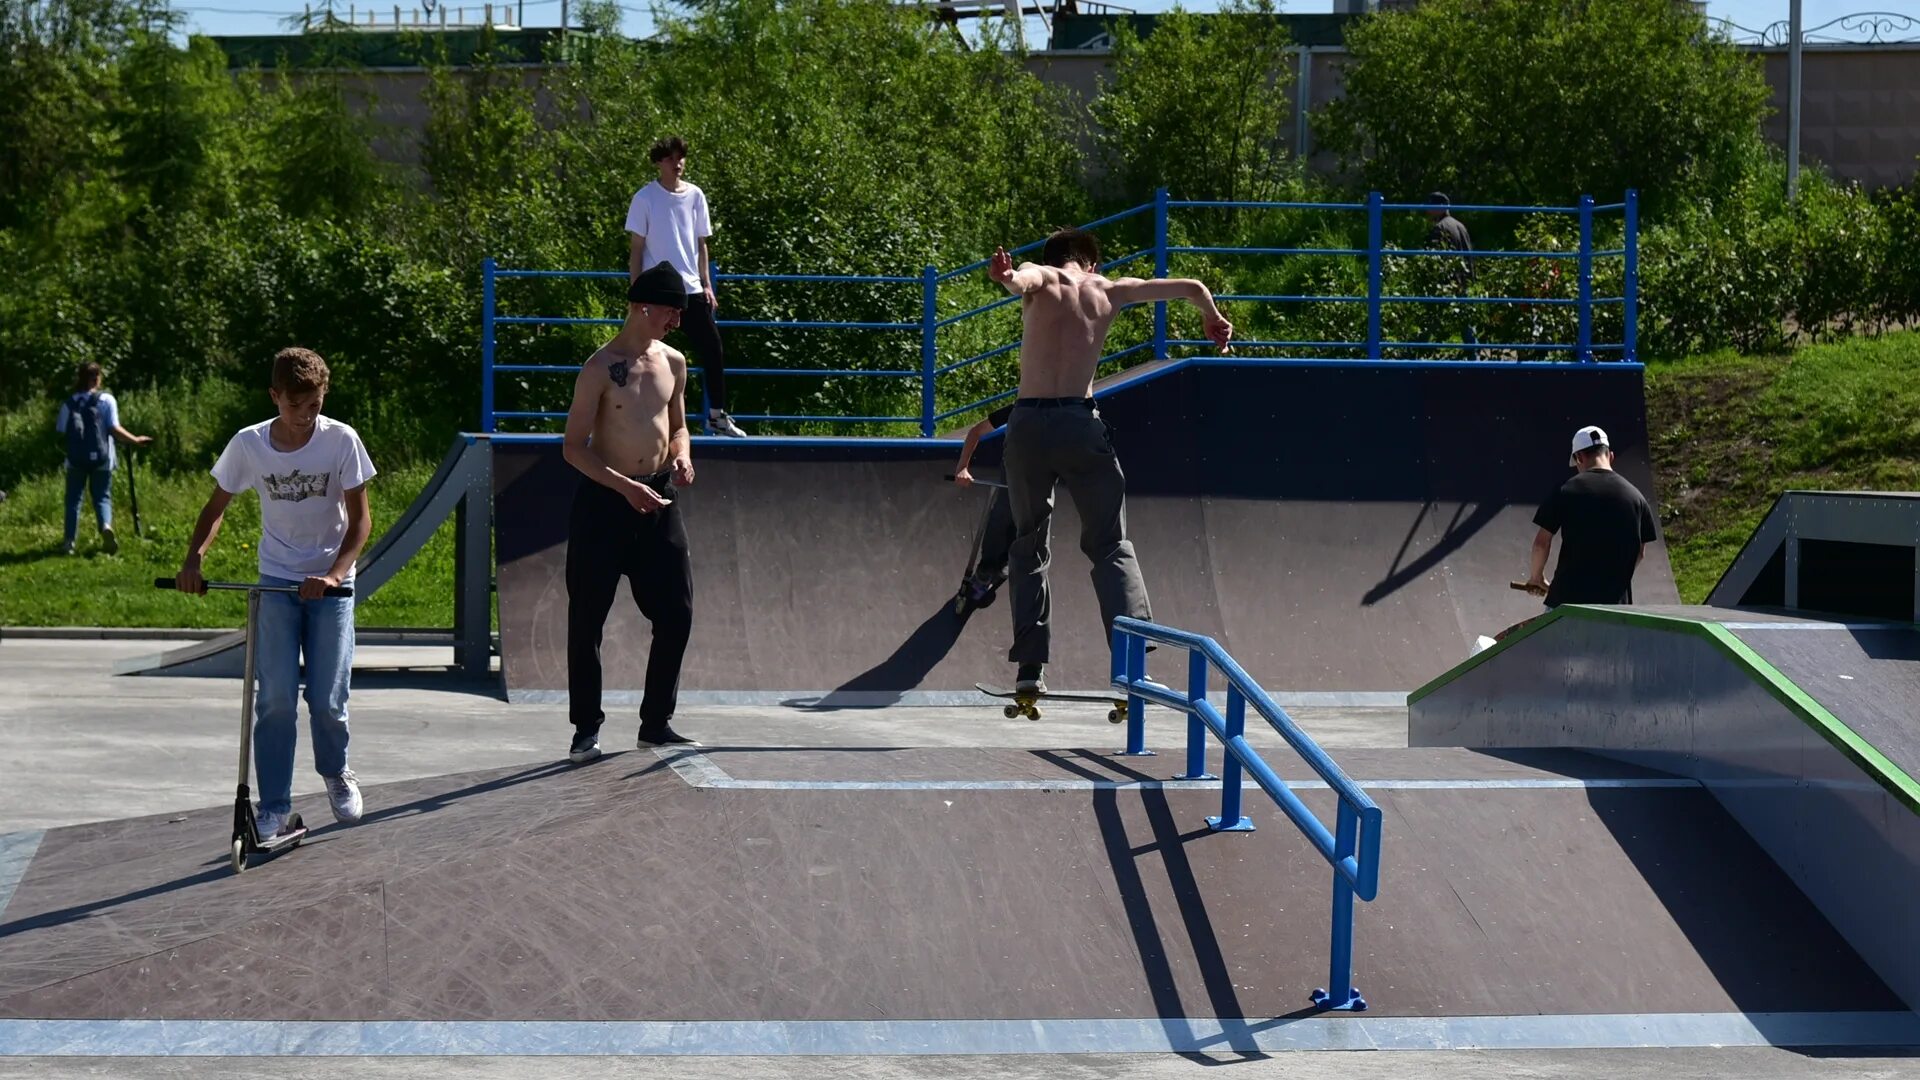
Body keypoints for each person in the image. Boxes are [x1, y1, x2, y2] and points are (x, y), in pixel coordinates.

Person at [987, 228, 1232, 692]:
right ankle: (1132, 661)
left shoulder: (1043, 276)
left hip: (1028, 426)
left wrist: (1008, 277)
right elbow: (1192, 288)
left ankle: (1030, 669)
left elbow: (1024, 280)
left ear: (1057, 258)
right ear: (1092, 263)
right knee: (1109, 545)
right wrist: (1212, 319)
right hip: (1081, 425)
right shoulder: (1111, 290)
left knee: (1028, 543)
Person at [174, 347, 375, 839]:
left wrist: (333, 574)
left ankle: (335, 770)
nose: (306, 417)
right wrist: (194, 558)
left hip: (330, 586)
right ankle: (274, 806)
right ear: (275, 396)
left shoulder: (341, 440)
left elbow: (361, 520)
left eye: (315, 405)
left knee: (327, 699)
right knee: (277, 699)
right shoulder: (249, 444)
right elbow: (216, 506)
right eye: (295, 406)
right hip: (277, 581)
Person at [562, 261, 701, 763]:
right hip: (605, 502)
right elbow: (573, 448)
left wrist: (682, 455)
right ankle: (586, 729)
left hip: (659, 499)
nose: (676, 321)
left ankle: (656, 722)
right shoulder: (601, 367)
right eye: (671, 311)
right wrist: (623, 488)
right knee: (587, 618)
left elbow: (680, 426)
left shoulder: (674, 362)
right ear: (644, 307)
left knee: (677, 612)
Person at [625, 136, 745, 438]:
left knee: (713, 348)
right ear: (658, 163)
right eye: (670, 158)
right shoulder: (645, 198)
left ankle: (717, 416)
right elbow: (636, 249)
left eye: (681, 157)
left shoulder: (695, 196)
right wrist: (635, 293)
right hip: (657, 291)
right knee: (649, 353)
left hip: (690, 289)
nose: (677, 163)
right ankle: (644, 418)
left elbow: (701, 243)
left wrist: (707, 284)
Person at [1523, 425, 1659, 608]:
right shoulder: (1637, 498)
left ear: (1579, 458)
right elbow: (1640, 553)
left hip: (1567, 603)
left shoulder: (1566, 490)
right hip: (1615, 608)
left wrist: (1536, 577)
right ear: (1610, 456)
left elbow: (1542, 543)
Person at [54, 362, 151, 555]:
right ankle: (105, 526)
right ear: (97, 378)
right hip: (103, 458)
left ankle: (69, 543)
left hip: (75, 460)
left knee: (73, 500)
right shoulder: (106, 400)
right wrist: (136, 440)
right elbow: (114, 429)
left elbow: (61, 431)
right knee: (102, 497)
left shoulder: (69, 402)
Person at [951, 403, 1016, 611]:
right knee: (1001, 516)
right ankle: (986, 569)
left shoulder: (1058, 411)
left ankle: (1008, 561)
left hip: (1039, 479)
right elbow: (976, 431)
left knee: (1028, 524)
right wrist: (962, 466)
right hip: (1013, 473)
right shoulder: (1018, 408)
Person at [1424, 192, 1479, 360]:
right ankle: (1473, 354)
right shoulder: (1460, 225)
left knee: (1432, 317)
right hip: (1464, 279)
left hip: (1448, 282)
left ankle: (1416, 348)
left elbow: (1434, 258)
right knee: (1465, 320)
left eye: (1431, 206)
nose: (1427, 210)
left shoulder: (1439, 228)